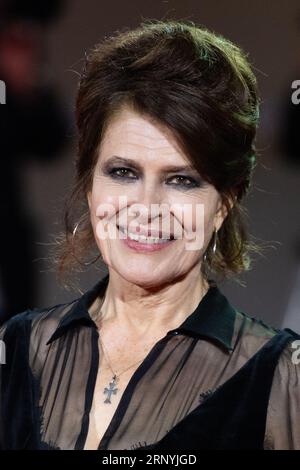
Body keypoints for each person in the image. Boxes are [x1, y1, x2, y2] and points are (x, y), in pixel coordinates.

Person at [0, 19, 300, 451]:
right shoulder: (16, 349)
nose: (146, 206)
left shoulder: (281, 378)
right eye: (122, 172)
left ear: (225, 203)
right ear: (90, 186)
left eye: (182, 180)